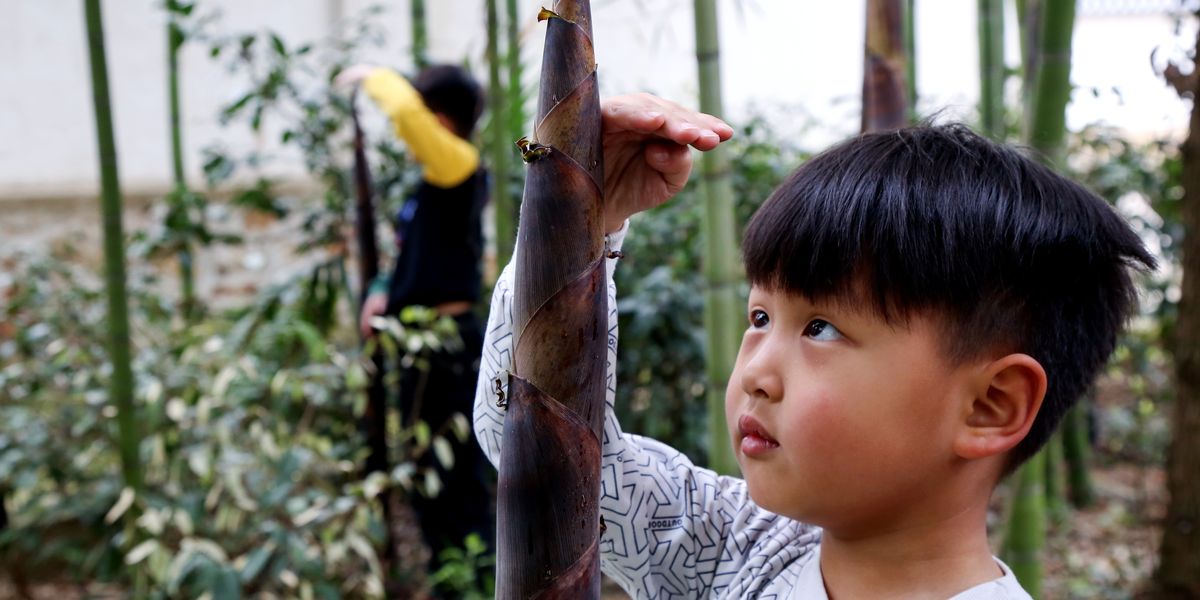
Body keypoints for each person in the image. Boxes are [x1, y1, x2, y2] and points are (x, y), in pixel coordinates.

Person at [471, 93, 1155, 598]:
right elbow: (534, 441)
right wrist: (582, 224)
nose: (757, 374)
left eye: (821, 328)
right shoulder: (734, 546)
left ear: (990, 406)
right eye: (761, 317)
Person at [337, 63, 494, 578]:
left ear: (441, 121)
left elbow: (403, 112)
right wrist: (383, 292)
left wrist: (372, 75)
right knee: (427, 471)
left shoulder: (459, 165)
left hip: (446, 348)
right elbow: (410, 255)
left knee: (456, 478)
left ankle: (474, 581)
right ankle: (449, 580)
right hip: (419, 346)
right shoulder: (433, 181)